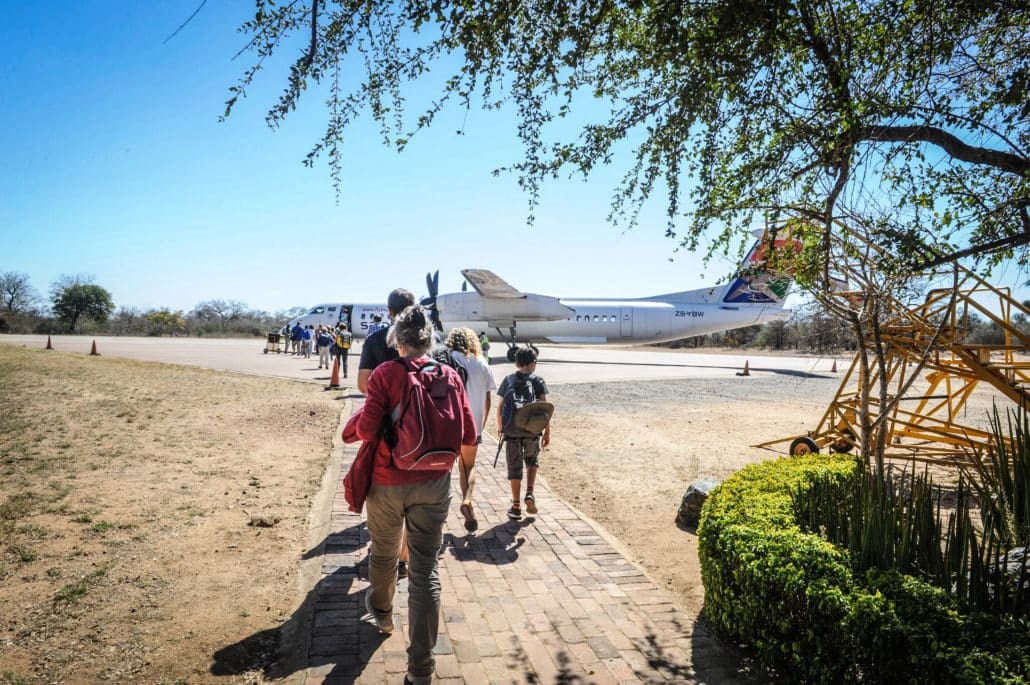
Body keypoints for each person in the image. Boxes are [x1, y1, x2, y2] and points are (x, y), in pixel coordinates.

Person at [355, 305, 477, 685]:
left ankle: (382, 609)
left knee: (385, 553)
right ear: (429, 339)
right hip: (435, 483)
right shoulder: (450, 376)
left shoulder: (385, 374)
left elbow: (366, 431)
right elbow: (469, 435)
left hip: (388, 482)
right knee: (425, 572)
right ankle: (421, 670)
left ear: (398, 339)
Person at [445, 327, 496, 532]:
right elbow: (488, 400)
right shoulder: (482, 363)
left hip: (449, 422)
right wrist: (481, 425)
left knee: (445, 467)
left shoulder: (449, 359)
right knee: (468, 466)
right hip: (472, 423)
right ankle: (467, 500)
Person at [496, 346, 551, 520]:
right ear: (532, 363)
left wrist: (501, 428)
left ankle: (516, 506)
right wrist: (547, 432)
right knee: (532, 460)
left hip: (511, 430)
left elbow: (500, 407)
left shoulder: (508, 380)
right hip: (532, 430)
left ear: (517, 363)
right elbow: (545, 409)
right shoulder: (538, 381)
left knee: (514, 467)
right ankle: (529, 493)